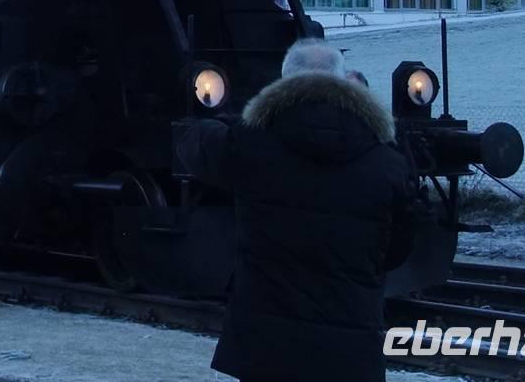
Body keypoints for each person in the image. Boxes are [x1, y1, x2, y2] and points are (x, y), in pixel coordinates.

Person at [175, 38, 416, 382]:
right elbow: (396, 250)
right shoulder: (387, 162)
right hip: (350, 348)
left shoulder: (249, 144)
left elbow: (196, 147)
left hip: (268, 347)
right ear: (342, 80)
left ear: (285, 81)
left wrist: (212, 116)